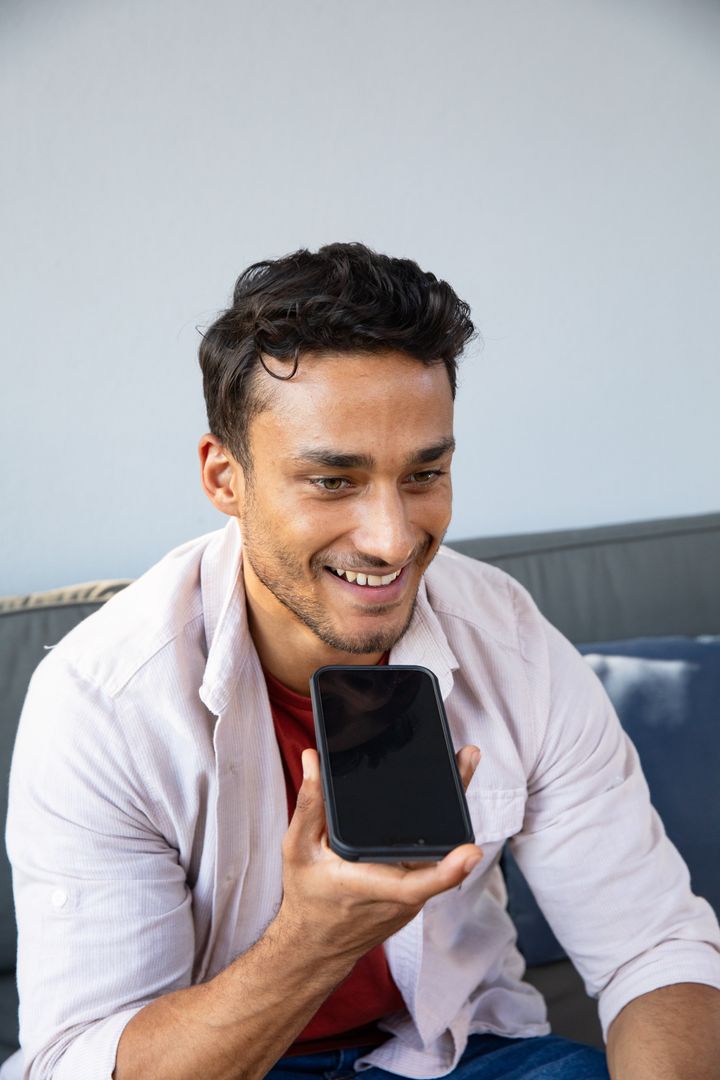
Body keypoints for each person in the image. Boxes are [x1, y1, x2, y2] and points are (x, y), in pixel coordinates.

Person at [4, 243, 720, 1080]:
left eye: (425, 473)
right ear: (225, 477)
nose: (392, 539)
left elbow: (655, 949)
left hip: (459, 1053)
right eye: (333, 481)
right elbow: (80, 1064)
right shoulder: (103, 699)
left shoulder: (511, 641)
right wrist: (313, 940)